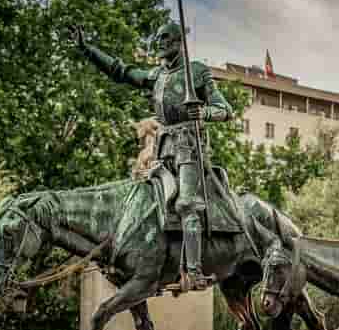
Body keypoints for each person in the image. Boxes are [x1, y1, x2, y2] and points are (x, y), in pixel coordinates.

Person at [71, 22, 233, 290]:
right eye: (158, 38)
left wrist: (204, 113)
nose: (159, 42)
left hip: (189, 149)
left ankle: (194, 272)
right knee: (142, 200)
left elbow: (225, 109)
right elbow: (120, 71)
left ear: (179, 42)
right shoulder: (157, 75)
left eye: (165, 37)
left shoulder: (197, 72)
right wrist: (86, 48)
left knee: (187, 205)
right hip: (163, 148)